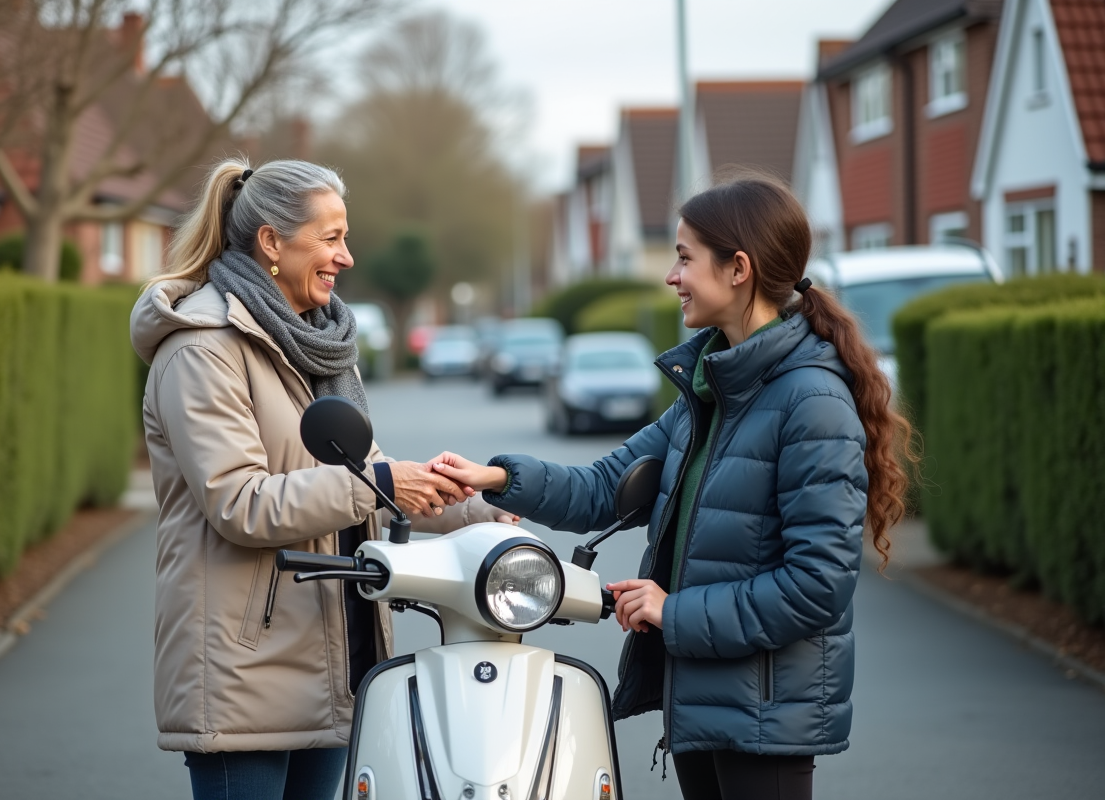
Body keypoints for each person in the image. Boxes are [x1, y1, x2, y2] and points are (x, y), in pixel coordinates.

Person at [430, 176, 915, 800]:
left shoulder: (811, 402)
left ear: (738, 268)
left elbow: (816, 587)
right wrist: (496, 479)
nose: (672, 276)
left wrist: (671, 610)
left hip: (765, 719)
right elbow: (605, 487)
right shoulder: (709, 391)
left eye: (685, 257)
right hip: (703, 705)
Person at [130, 158, 514, 800]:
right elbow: (239, 503)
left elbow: (367, 476)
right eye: (331, 237)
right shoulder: (201, 350)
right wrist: (383, 481)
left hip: (333, 664)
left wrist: (479, 511)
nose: (348, 257)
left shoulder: (313, 346)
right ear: (272, 243)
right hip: (244, 674)